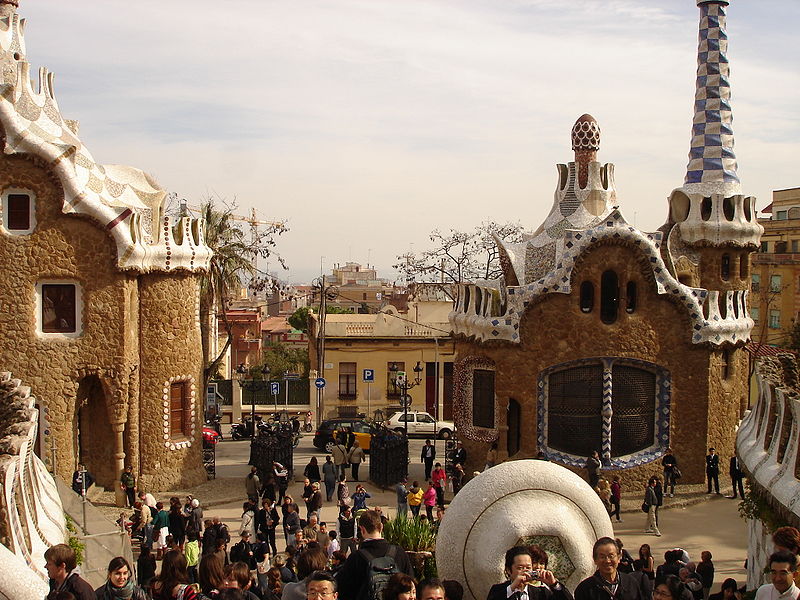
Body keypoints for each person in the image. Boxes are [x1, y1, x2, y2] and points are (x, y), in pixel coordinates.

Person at [335, 510, 415, 600]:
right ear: (381, 527)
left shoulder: (356, 558)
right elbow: (411, 584)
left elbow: (342, 589)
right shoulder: (399, 552)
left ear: (362, 529)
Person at [485, 545, 572, 600]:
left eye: (528, 567)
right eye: (520, 568)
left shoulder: (541, 592)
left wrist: (554, 584)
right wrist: (512, 588)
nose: (525, 571)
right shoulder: (498, 590)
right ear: (508, 570)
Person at [574, 537, 643, 600]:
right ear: (595, 560)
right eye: (602, 557)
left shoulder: (630, 583)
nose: (607, 561)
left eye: (611, 556)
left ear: (619, 558)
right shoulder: (585, 589)